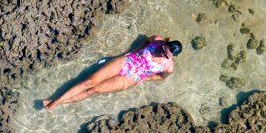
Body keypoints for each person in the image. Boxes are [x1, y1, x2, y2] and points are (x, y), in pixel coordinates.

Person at [43, 35, 182, 110]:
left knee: (93, 90)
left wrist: (145, 78)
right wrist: (134, 51)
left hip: (131, 78)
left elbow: (161, 77)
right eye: (163, 49)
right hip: (126, 61)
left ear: (172, 57)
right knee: (89, 82)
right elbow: (146, 40)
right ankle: (56, 101)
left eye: (166, 55)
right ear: (165, 43)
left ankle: (56, 102)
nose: (162, 54)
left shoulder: (168, 67)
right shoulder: (157, 40)